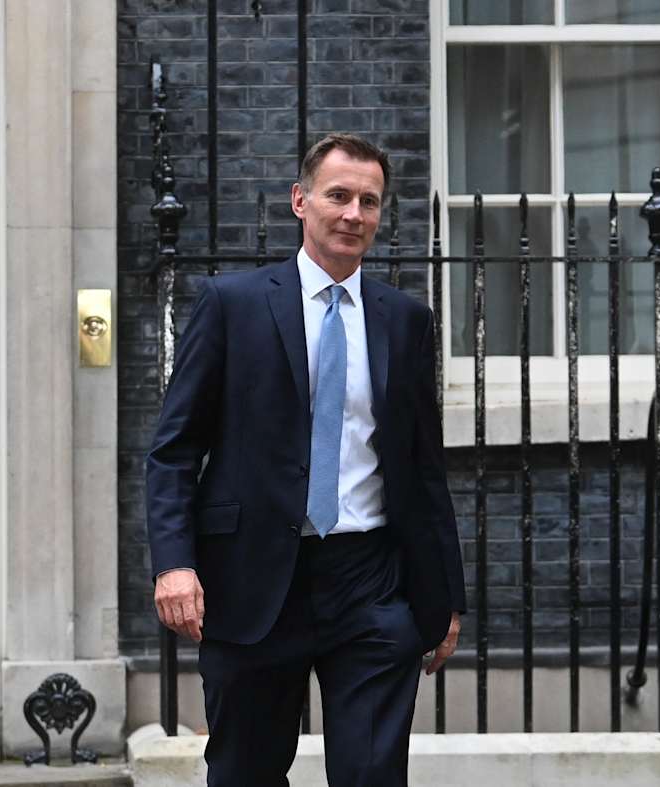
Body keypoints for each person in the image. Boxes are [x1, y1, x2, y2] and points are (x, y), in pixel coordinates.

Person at [146, 133, 467, 787]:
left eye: (369, 201)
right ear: (300, 200)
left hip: (371, 581)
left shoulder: (404, 321)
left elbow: (422, 468)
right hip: (255, 580)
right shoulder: (232, 305)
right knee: (245, 773)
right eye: (339, 196)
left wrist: (445, 597)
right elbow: (174, 449)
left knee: (373, 774)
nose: (353, 214)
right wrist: (175, 563)